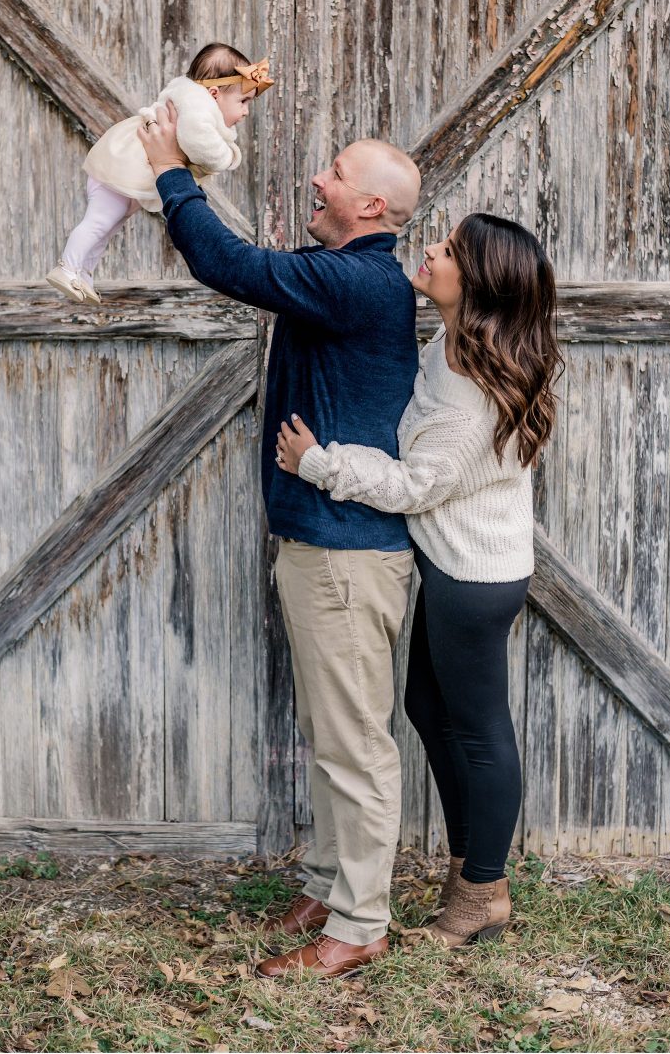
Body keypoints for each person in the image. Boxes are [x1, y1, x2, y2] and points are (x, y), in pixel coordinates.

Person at [139, 103, 422, 979]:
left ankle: (362, 922)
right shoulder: (339, 271)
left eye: (335, 172)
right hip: (323, 541)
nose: (318, 179)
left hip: (346, 550)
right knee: (327, 728)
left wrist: (169, 170)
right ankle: (329, 880)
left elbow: (228, 262)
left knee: (353, 742)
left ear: (369, 207)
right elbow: (258, 267)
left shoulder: (361, 284)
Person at [277, 213, 562, 947]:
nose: (430, 251)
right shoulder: (456, 345)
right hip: (454, 566)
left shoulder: (472, 398)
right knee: (428, 707)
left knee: (480, 729)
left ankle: (482, 891)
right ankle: (469, 861)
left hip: (476, 578)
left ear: (479, 284)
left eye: (449, 252)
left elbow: (414, 485)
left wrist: (322, 464)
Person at [46, 43, 273, 304]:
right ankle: (66, 267)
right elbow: (204, 150)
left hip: (125, 173)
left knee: (108, 225)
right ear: (214, 93)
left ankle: (83, 273)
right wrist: (228, 155)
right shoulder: (197, 110)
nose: (245, 111)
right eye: (243, 101)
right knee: (99, 221)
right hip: (119, 168)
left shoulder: (195, 101)